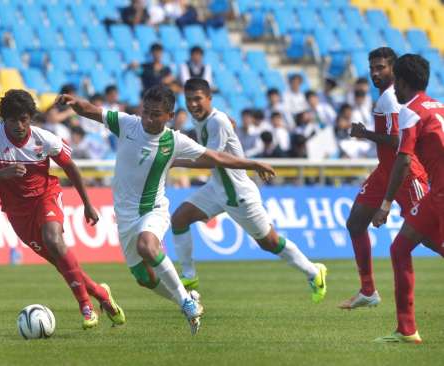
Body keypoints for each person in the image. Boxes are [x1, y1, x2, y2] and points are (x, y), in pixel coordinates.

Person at [56, 84, 276, 335]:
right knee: (144, 278)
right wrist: (74, 102)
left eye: (156, 114)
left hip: (154, 209)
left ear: (169, 116)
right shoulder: (128, 124)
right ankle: (187, 298)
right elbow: (93, 111)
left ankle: (186, 302)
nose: (149, 118)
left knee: (147, 246)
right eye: (146, 111)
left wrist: (252, 163)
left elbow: (216, 157)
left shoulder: (174, 140)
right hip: (125, 216)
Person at [0, 89, 125, 329]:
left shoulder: (45, 138)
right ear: (4, 120)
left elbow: (71, 168)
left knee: (54, 240)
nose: (19, 125)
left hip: (46, 196)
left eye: (24, 119)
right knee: (58, 260)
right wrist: (2, 173)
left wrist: (87, 204)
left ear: (31, 118)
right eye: (13, 120)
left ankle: (86, 306)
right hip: (17, 211)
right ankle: (101, 293)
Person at [171, 78, 326, 301]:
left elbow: (211, 161)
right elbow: (225, 128)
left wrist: (175, 161)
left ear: (209, 99)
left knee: (269, 243)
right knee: (179, 219)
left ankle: (314, 271)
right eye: (188, 100)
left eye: (198, 99)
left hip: (238, 193)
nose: (193, 105)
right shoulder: (207, 119)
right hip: (217, 188)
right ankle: (189, 276)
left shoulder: (217, 122)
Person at [339, 48, 429, 310]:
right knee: (356, 223)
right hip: (385, 172)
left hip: (406, 173)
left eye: (381, 68)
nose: (375, 73)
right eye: (372, 68)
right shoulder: (387, 97)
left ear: (394, 70)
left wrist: (364, 133)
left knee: (429, 236)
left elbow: (397, 140)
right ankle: (368, 291)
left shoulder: (390, 99)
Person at [371, 54, 444, 344]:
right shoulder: (438, 105)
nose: (394, 90)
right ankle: (406, 329)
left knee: (402, 248)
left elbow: (403, 160)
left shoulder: (410, 111)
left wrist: (386, 204)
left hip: (440, 193)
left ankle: (407, 328)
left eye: (395, 83)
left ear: (401, 82)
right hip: (435, 194)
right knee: (400, 248)